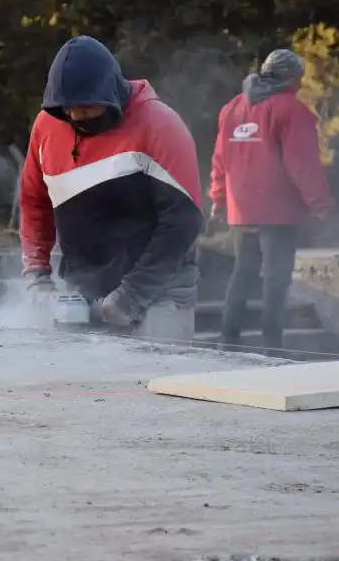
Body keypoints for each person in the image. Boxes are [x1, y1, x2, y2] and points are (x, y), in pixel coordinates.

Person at [20, 36, 204, 336]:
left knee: (160, 377)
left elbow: (183, 222)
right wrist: (36, 276)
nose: (76, 116)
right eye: (69, 109)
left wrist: (131, 296)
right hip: (84, 287)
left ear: (109, 94)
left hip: (159, 293)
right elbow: (34, 202)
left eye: (87, 107)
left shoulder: (160, 126)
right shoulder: (47, 127)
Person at [211, 49, 334, 353]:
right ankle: (272, 344)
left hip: (241, 211)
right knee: (276, 279)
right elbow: (302, 164)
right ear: (291, 77)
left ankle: (228, 338)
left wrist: (218, 197)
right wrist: (322, 205)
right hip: (277, 211)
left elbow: (219, 160)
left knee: (243, 271)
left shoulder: (232, 108)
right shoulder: (292, 110)